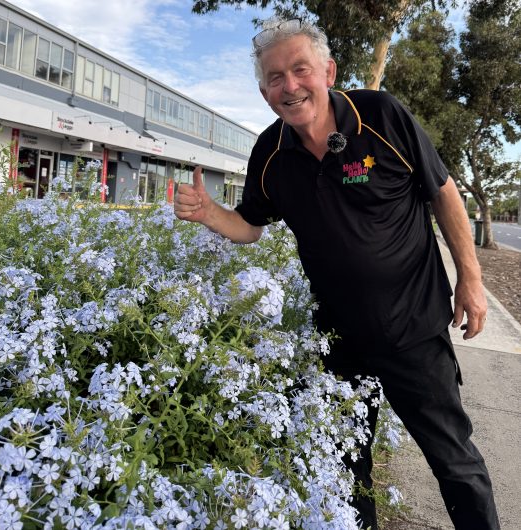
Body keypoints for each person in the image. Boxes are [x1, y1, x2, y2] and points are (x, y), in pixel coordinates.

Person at [174, 17, 499, 530]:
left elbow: (442, 191)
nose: (290, 86)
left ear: (328, 71)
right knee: (345, 466)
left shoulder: (382, 116)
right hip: (337, 339)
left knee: (454, 462)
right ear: (264, 93)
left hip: (413, 329)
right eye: (276, 78)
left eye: (300, 69)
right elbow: (251, 225)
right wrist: (208, 213)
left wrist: (471, 279)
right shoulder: (271, 154)